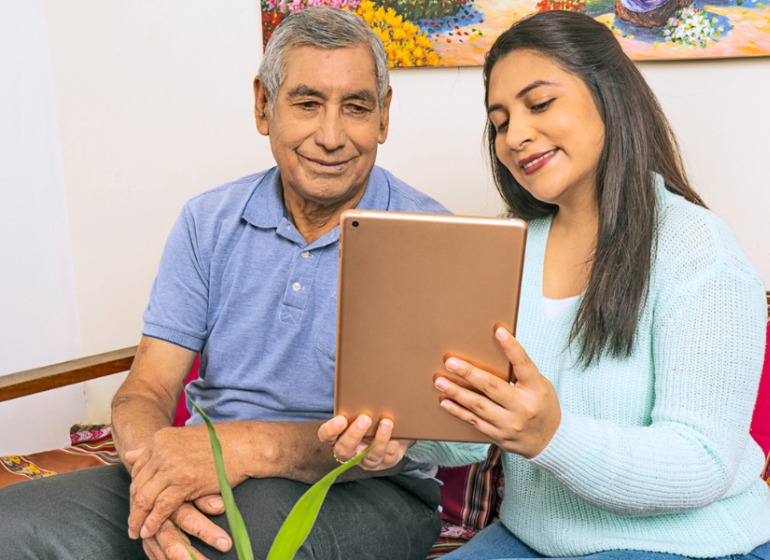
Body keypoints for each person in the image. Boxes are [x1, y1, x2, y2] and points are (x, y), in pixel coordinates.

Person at [320, 10, 770, 560]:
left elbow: (703, 461)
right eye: (499, 121)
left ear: (609, 95)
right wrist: (397, 440)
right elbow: (475, 424)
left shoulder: (698, 250)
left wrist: (551, 437)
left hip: (689, 545)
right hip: (534, 540)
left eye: (539, 104)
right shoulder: (509, 249)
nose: (515, 135)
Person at [0, 7, 447, 560]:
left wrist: (246, 447)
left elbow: (406, 436)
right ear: (264, 106)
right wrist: (158, 489)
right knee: (11, 525)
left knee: (218, 548)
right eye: (307, 104)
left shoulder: (431, 238)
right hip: (207, 469)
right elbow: (146, 391)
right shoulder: (207, 220)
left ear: (383, 118)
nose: (331, 136)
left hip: (369, 488)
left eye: (356, 107)